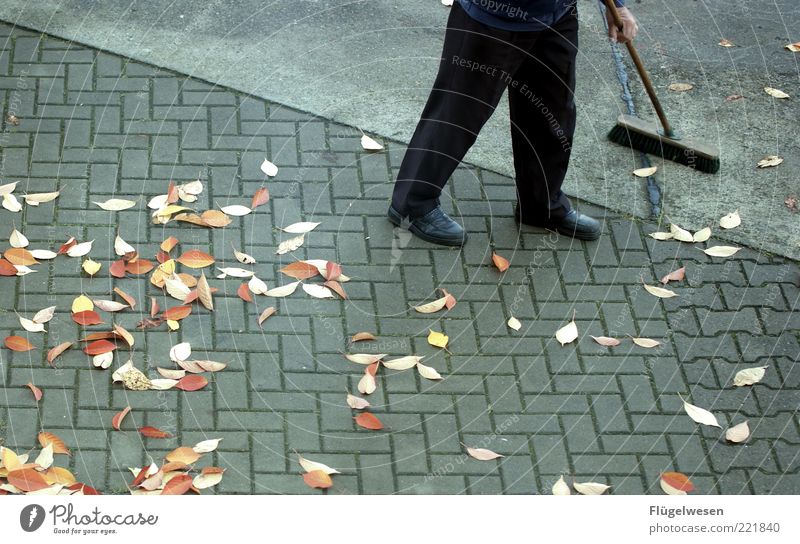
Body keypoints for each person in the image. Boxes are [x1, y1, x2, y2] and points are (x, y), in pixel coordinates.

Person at [388, 0, 639, 246]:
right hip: (493, 16)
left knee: (551, 114)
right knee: (458, 113)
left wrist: (616, 4)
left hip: (557, 14)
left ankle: (541, 205)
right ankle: (413, 203)